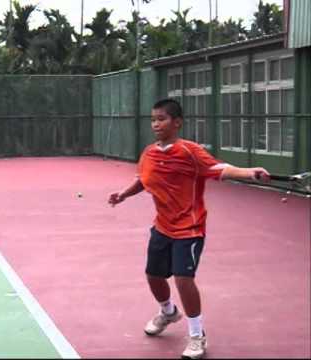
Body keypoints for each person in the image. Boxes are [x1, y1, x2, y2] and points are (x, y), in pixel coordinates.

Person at [108, 98, 270, 359]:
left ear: (177, 122)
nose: (156, 124)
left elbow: (219, 169)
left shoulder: (190, 152)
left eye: (161, 119)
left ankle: (197, 335)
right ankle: (168, 312)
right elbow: (143, 180)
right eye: (153, 119)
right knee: (154, 276)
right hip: (161, 227)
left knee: (183, 279)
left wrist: (249, 172)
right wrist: (124, 194)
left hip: (189, 229)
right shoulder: (149, 153)